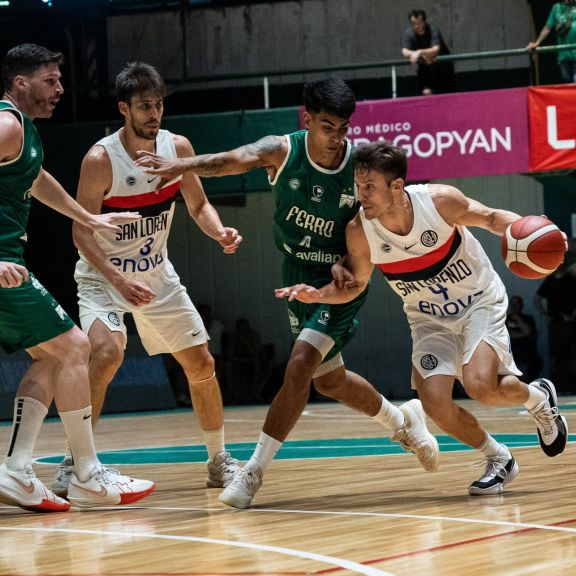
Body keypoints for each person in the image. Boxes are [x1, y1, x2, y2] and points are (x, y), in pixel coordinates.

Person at [135, 76, 440, 509]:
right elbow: (233, 159)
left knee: (298, 367)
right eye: (327, 126)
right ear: (307, 120)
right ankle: (402, 420)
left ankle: (252, 473)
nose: (336, 138)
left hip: (341, 280)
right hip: (295, 271)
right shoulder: (284, 150)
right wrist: (182, 167)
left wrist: (350, 264)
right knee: (330, 380)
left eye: (343, 128)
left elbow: (368, 223)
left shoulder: (358, 166)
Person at [276, 140, 568, 496]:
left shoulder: (440, 201)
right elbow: (356, 284)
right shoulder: (360, 231)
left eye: (369, 187)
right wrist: (319, 294)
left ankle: (537, 399)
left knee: (480, 386)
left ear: (396, 186)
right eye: (357, 185)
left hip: (478, 302)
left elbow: (492, 218)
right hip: (427, 319)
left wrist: (535, 230)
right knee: (435, 403)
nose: (360, 194)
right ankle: (499, 457)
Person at [50, 62, 243, 498]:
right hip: (104, 277)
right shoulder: (101, 159)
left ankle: (218, 461)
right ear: (124, 108)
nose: (154, 114)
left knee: (202, 366)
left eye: (158, 104)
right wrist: (118, 281)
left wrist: (219, 232)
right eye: (144, 106)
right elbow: (80, 231)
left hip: (157, 277)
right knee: (105, 353)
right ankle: (73, 463)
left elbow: (198, 205)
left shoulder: (178, 147)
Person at [0, 43, 155, 511]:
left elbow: (36, 178)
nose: (60, 89)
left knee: (51, 357)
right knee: (75, 346)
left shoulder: (23, 132)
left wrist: (87, 219)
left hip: (13, 262)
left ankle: (17, 470)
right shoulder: (6, 125)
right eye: (51, 81)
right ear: (22, 83)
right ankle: (86, 474)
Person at [534, 262, 576, 392]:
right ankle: (560, 385)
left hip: (569, 321)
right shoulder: (549, 281)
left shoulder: (571, 280)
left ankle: (572, 384)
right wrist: (545, 315)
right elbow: (537, 299)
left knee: (571, 353)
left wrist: (573, 315)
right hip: (555, 322)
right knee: (557, 354)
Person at [402, 9, 456, 95]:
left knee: (447, 95)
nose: (416, 26)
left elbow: (435, 49)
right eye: (413, 23)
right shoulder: (408, 33)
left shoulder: (433, 30)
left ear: (424, 22)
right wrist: (419, 55)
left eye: (419, 23)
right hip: (425, 69)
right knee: (426, 92)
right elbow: (405, 51)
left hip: (443, 68)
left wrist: (420, 52)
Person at [527, 0, 576, 84]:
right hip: (563, 53)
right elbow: (548, 27)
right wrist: (537, 42)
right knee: (566, 79)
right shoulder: (556, 8)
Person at [506, 295, 543, 384]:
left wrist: (517, 318)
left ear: (522, 305)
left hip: (527, 349)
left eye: (517, 304)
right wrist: (522, 334)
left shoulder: (528, 318)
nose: (514, 306)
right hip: (511, 350)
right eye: (512, 304)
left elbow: (529, 333)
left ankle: (531, 385)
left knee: (537, 363)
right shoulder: (505, 319)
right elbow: (507, 334)